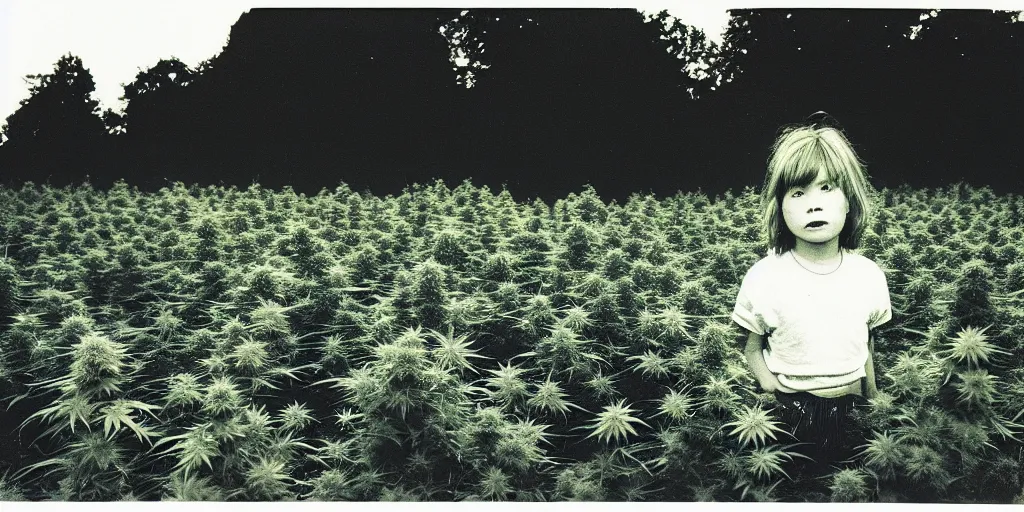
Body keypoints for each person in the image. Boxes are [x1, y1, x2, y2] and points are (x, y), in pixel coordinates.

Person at [731, 113, 892, 493]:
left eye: (828, 189)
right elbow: (751, 346)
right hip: (789, 409)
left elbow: (865, 342)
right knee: (794, 489)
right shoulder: (765, 275)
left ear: (850, 202)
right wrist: (770, 389)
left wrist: (872, 395)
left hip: (852, 408)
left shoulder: (869, 275)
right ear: (781, 209)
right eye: (798, 193)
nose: (813, 205)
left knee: (853, 488)